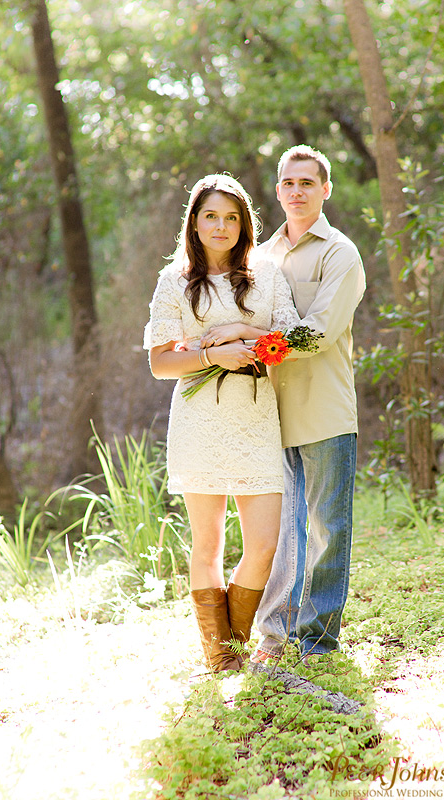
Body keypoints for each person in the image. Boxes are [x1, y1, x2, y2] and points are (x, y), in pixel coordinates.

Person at [143, 174, 300, 673]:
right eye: (210, 215)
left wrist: (241, 332)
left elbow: (289, 338)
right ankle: (223, 660)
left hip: (255, 420)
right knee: (207, 543)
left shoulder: (268, 275)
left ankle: (231, 645)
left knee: (264, 545)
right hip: (199, 422)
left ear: (244, 224)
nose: (221, 226)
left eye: (232, 217)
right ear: (194, 221)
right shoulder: (173, 282)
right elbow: (161, 363)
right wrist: (216, 353)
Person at [253, 144, 366, 665]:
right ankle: (274, 634)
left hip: (323, 411)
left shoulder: (340, 253)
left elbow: (319, 331)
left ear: (326, 189)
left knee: (326, 528)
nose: (297, 192)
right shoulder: (261, 255)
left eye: (307, 183)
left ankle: (318, 642)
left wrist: (251, 346)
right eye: (288, 184)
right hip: (265, 415)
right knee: (279, 531)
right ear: (278, 191)